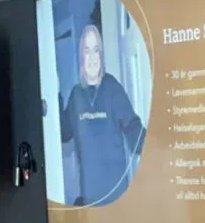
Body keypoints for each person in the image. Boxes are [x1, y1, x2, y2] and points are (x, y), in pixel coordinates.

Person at [59, 24, 146, 207]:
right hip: (90, 200)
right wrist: (55, 94)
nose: (92, 57)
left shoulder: (112, 88)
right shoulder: (76, 96)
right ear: (81, 56)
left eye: (96, 50)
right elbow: (63, 133)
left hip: (117, 199)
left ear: (101, 55)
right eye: (87, 50)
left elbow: (135, 133)